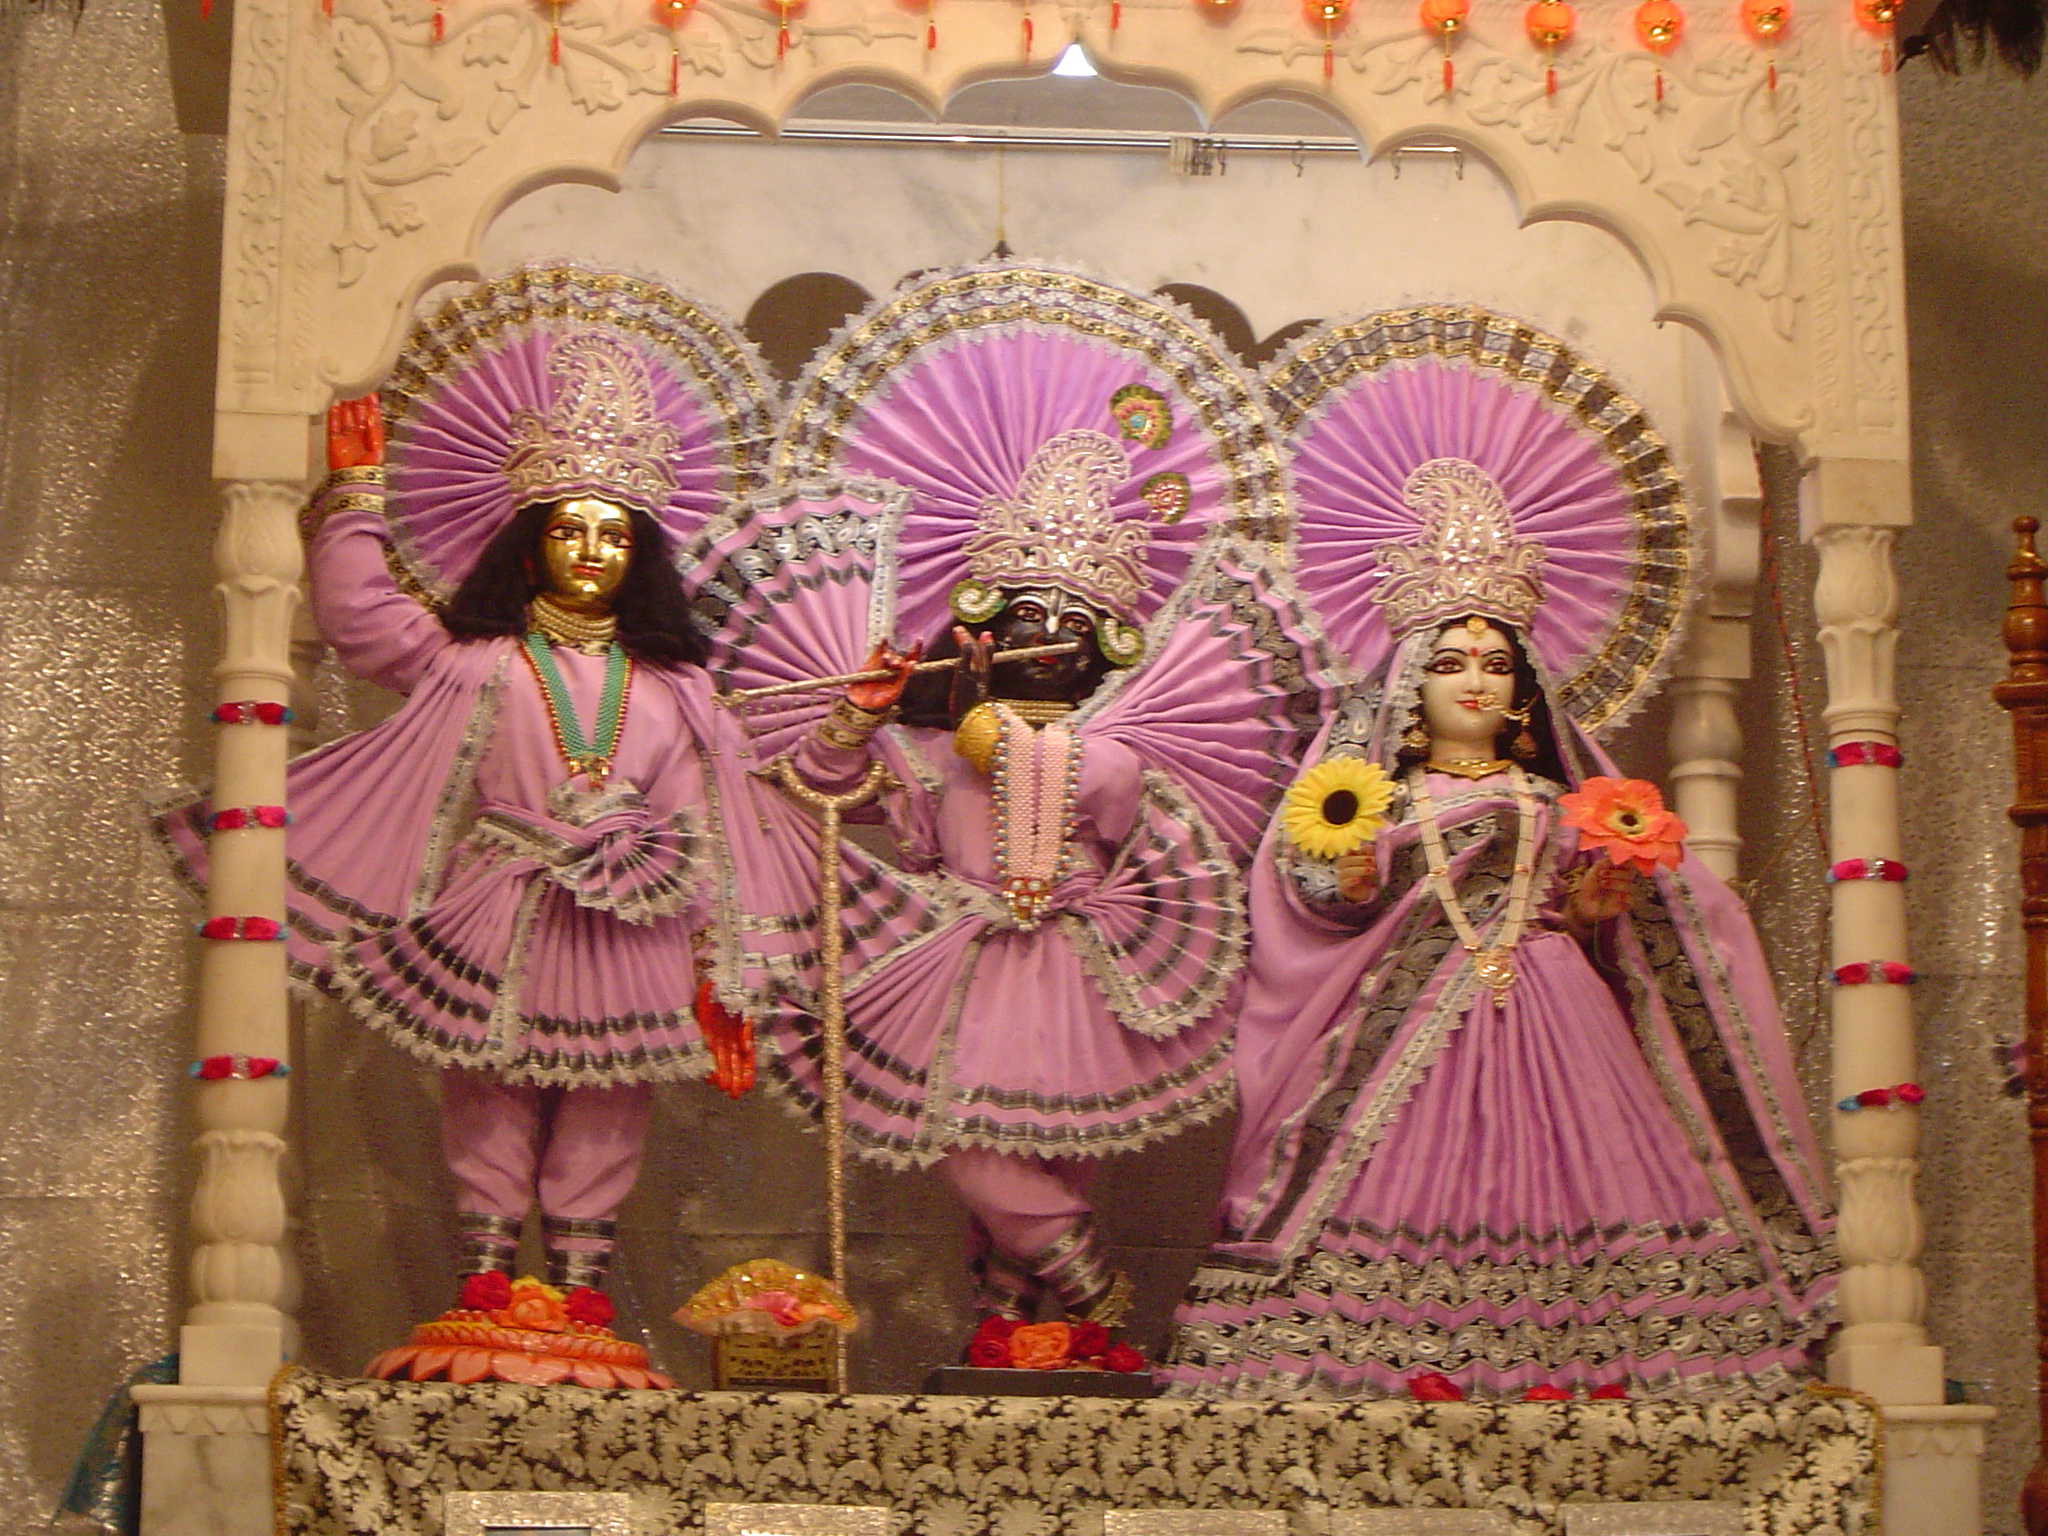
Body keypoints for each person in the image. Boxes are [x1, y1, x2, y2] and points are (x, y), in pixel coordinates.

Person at [1161, 470, 1836, 1400]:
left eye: (1493, 664)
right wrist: (1351, 881)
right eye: (1449, 665)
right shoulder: (1375, 798)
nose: (1475, 681)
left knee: (1589, 1177)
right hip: (1406, 1019)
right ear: (1409, 686)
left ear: (1522, 687)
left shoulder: (1558, 797)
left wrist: (1598, 910)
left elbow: (1601, 920)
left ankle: (1584, 1359)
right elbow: (1313, 889)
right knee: (1382, 1178)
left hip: (1558, 1008)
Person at [157, 332, 799, 1307]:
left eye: (615, 536)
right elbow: (362, 619)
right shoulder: (476, 662)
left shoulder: (677, 690)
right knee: (488, 1089)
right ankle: (487, 1289)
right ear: (531, 543)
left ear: (641, 557)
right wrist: (356, 497)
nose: (592, 552)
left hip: (633, 917)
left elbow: (700, 827)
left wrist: (722, 963)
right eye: (571, 530)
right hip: (499, 901)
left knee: (609, 1101)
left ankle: (580, 1298)